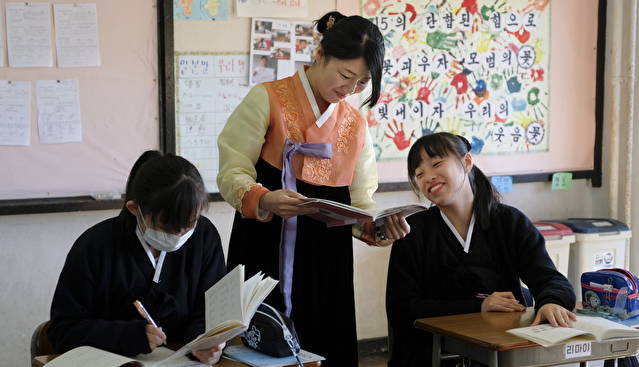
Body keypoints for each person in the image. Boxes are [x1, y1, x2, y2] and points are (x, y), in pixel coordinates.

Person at [217, 11, 410, 367]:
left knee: (327, 343)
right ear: (320, 56)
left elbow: (360, 199)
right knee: (261, 348)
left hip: (326, 258)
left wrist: (376, 226)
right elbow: (233, 171)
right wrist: (265, 198)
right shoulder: (266, 98)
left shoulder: (355, 124)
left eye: (362, 83)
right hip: (263, 244)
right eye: (345, 75)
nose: (349, 90)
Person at [386, 132, 576, 367]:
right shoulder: (412, 231)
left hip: (498, 350)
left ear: (466, 162)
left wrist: (551, 301)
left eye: (436, 164)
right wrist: (479, 306)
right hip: (432, 353)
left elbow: (550, 280)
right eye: (419, 174)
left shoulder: (509, 222)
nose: (428, 177)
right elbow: (401, 308)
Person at [48, 151, 226, 365]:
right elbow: (63, 331)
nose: (179, 235)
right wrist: (127, 335)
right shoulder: (95, 247)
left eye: (189, 223)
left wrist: (203, 341)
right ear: (135, 209)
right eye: (167, 226)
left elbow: (212, 310)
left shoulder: (204, 237)